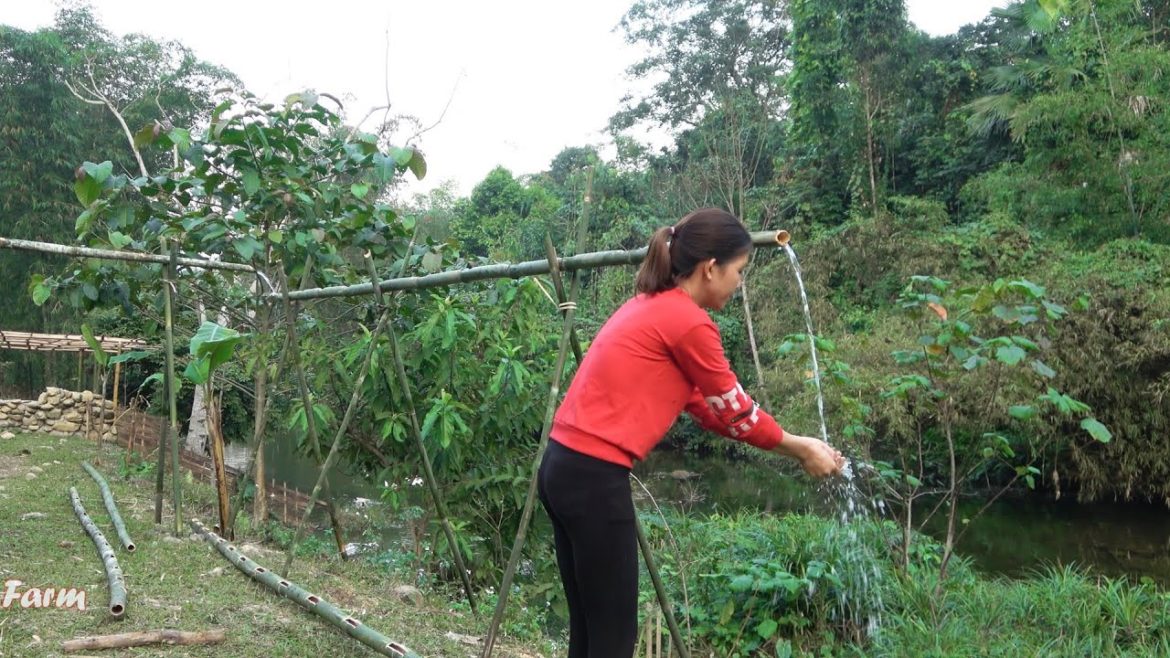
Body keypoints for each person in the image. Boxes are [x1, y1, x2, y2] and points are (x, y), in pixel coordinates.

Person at [537, 208, 845, 658]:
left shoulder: (650, 306)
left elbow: (707, 409)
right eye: (739, 272)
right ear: (710, 268)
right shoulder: (688, 321)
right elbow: (738, 411)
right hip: (593, 480)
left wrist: (796, 445)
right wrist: (800, 449)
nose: (740, 283)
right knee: (614, 639)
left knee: (590, 630)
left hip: (562, 468)